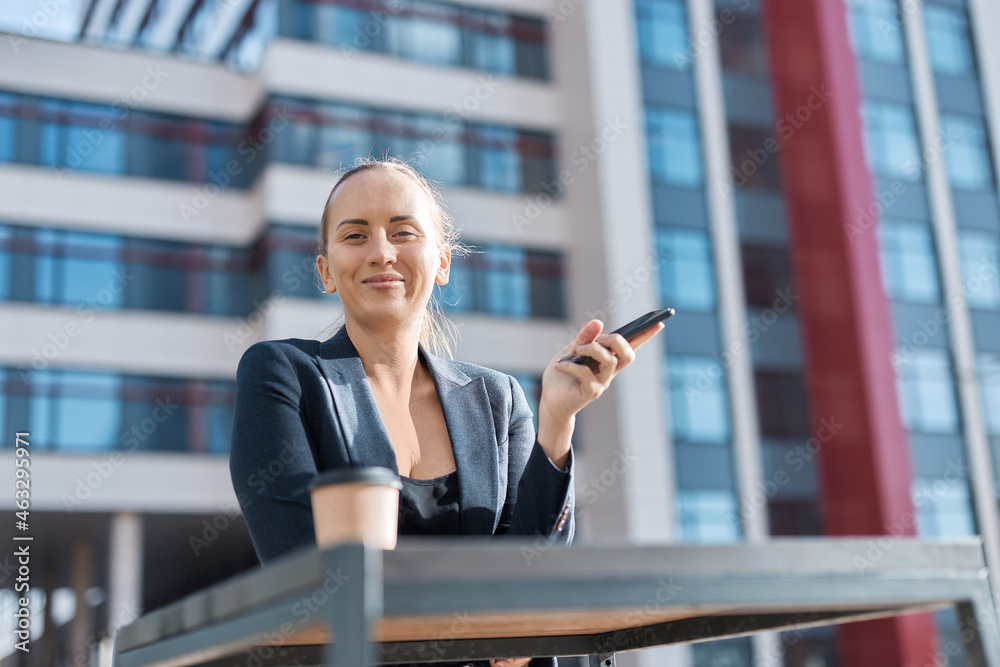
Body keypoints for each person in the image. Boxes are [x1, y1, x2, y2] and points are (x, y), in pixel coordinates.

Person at [229, 157, 665, 667]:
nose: (381, 252)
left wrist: (557, 424)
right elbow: (305, 574)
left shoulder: (499, 401)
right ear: (326, 271)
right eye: (354, 236)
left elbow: (533, 585)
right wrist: (489, 624)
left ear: (442, 262)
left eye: (403, 231)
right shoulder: (282, 374)